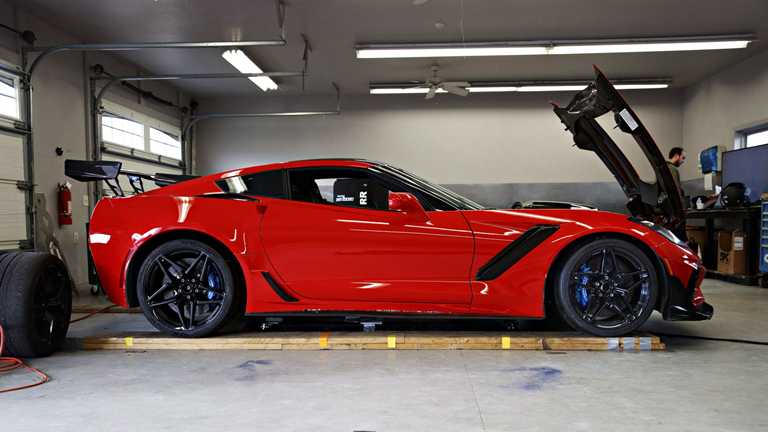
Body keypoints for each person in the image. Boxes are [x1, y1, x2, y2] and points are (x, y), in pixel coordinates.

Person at [667, 147, 687, 241]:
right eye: (683, 158)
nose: (683, 161)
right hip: (675, 212)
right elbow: (676, 191)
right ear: (676, 156)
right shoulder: (672, 169)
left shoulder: (664, 168)